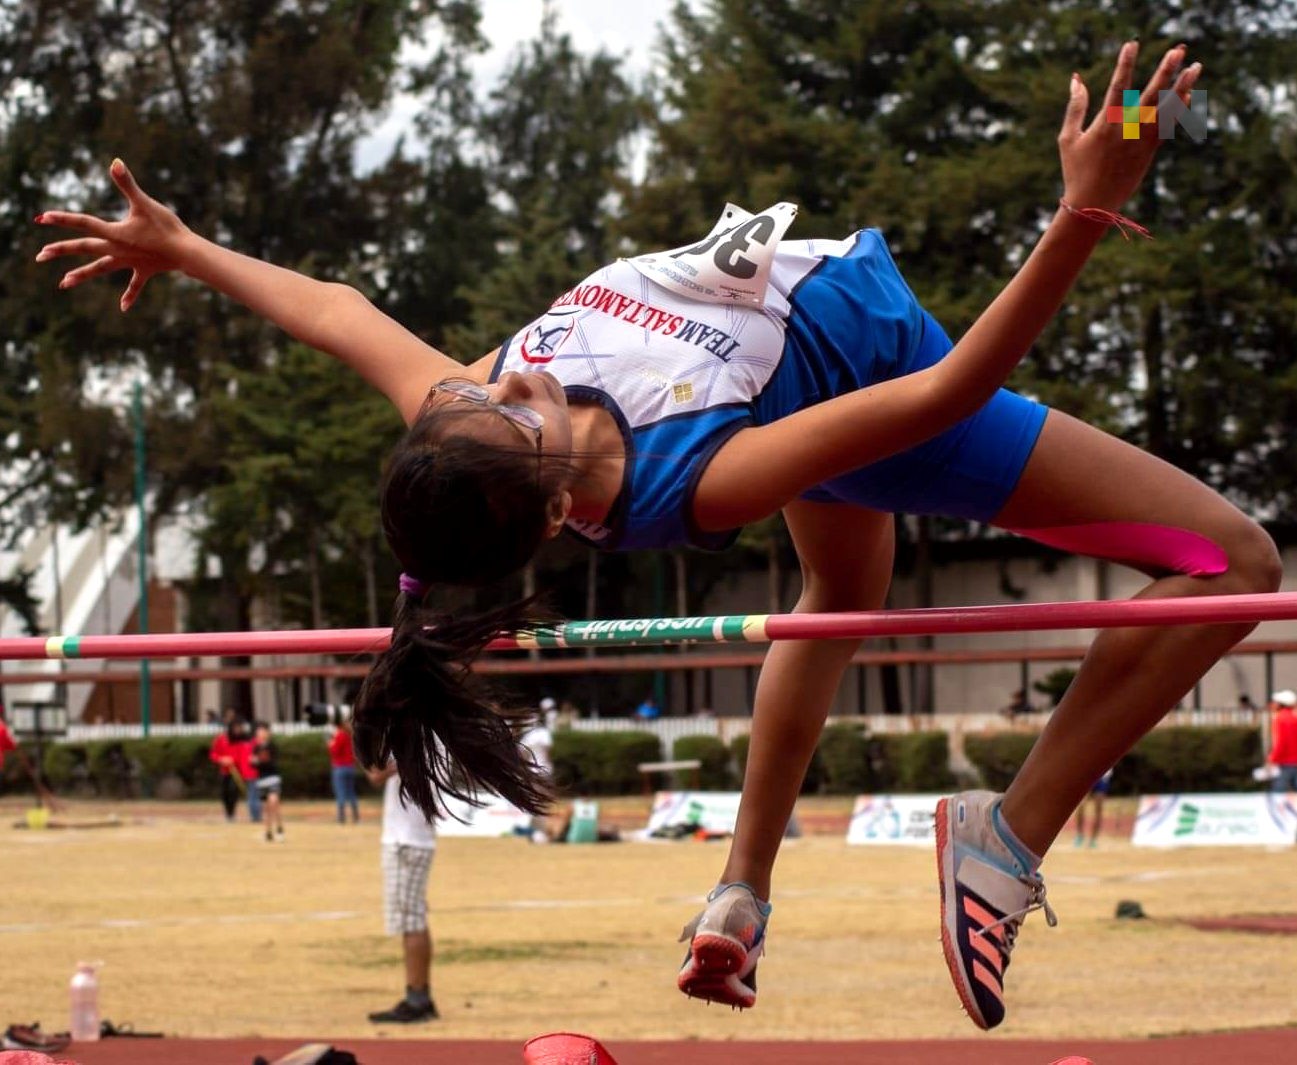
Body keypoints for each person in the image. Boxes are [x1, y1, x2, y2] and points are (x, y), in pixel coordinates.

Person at [36, 44, 1266, 1032]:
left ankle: (739, 890)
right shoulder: (698, 476)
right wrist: (1082, 214)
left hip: (812, 362)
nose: (496, 371)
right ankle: (1003, 839)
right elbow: (933, 402)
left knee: (840, 590)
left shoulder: (470, 425)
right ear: (548, 492)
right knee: (1232, 564)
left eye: (467, 389)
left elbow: (337, 312)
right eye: (502, 401)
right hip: (880, 373)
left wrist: (184, 247)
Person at [365, 760, 439, 1024]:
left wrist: (356, 733)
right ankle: (420, 994)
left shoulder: (415, 731)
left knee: (411, 920)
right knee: (415, 917)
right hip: (413, 836)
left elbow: (375, 773)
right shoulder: (431, 731)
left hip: (406, 840)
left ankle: (417, 999)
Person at [208, 711, 244, 822]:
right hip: (224, 771)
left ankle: (232, 813)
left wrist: (234, 760)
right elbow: (212, 754)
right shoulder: (220, 739)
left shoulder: (242, 739)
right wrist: (221, 759)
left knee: (233, 791)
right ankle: (228, 813)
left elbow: (244, 754)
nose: (237, 730)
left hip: (237, 771)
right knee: (224, 793)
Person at [251, 722, 283, 842]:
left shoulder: (272, 747)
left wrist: (258, 762)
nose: (259, 733)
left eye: (262, 731)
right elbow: (254, 765)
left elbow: (273, 764)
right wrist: (253, 762)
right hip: (261, 780)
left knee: (273, 802)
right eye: (258, 731)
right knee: (265, 807)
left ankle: (279, 828)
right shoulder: (256, 748)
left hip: (273, 778)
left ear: (267, 733)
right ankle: (268, 832)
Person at [328, 715, 360, 824]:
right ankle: (355, 816)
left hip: (340, 767)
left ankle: (341, 817)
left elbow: (335, 751)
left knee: (340, 792)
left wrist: (330, 744)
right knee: (351, 792)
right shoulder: (351, 735)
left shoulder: (340, 735)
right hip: (350, 766)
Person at [1071, 767, 1114, 847]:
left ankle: (1093, 839)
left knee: (1098, 809)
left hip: (1102, 778)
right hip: (1089, 775)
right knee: (1081, 806)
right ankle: (1079, 835)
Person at [1265, 689, 1297, 793]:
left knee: (1278, 794)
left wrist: (1272, 758)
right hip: (1293, 762)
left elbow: (1280, 742)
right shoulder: (1294, 718)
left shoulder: (1280, 719)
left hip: (1285, 763)